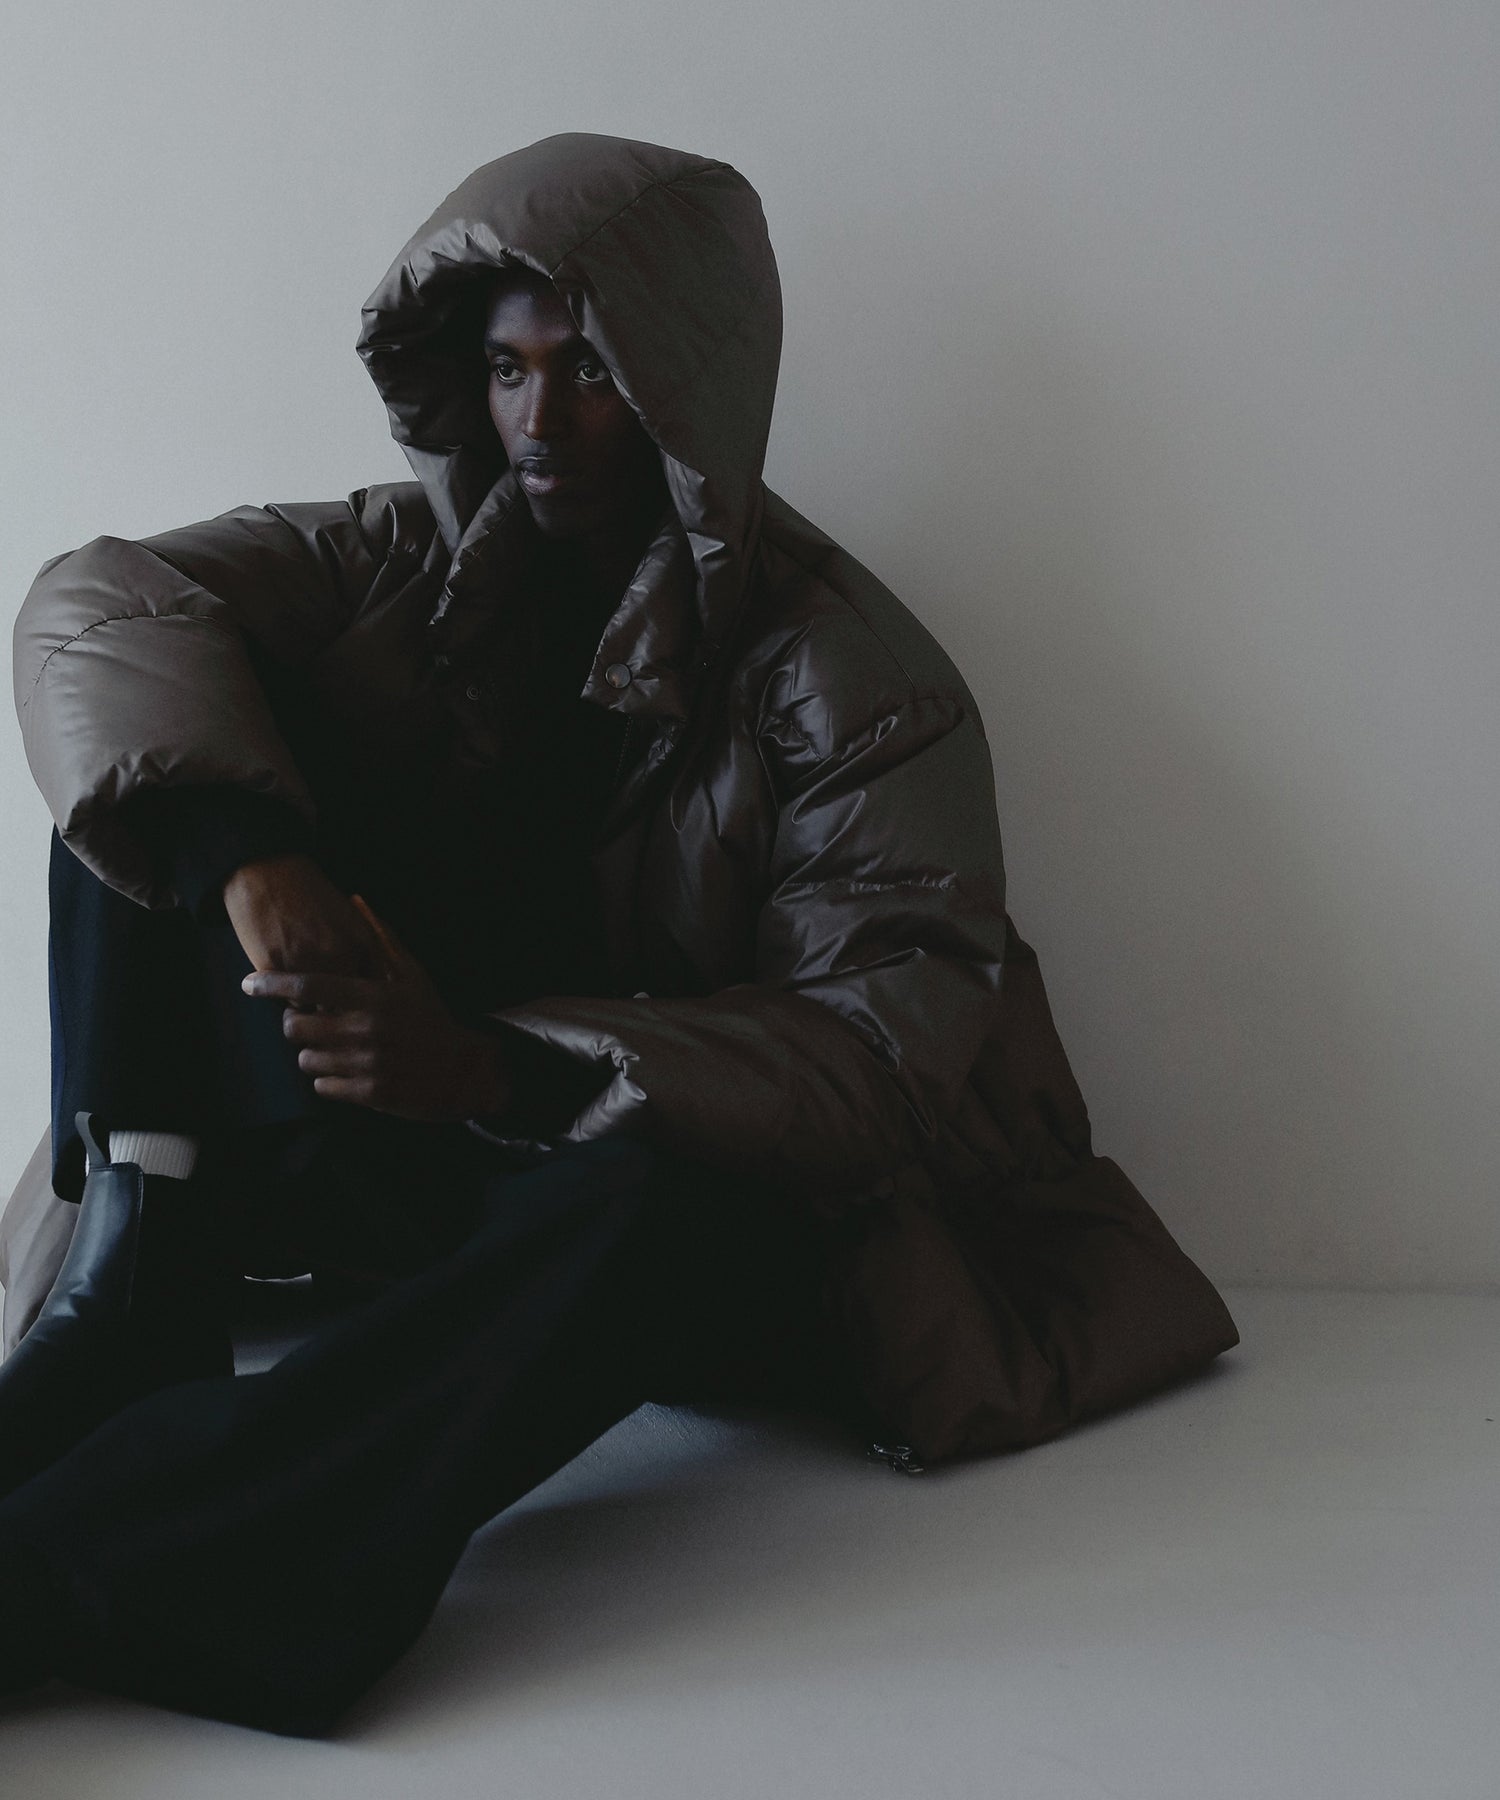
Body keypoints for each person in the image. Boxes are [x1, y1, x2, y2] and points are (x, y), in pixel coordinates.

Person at [0, 132, 1238, 1733]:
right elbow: (96, 603)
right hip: (453, 1144)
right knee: (161, 778)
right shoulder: (411, 558)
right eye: (508, 369)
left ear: (685, 389)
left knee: (647, 1200)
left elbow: (879, 1068)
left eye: (589, 371)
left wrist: (493, 1069)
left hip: (758, 1222)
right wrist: (256, 855)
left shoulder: (852, 674)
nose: (539, 417)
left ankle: (89, 1585)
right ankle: (136, 1285)